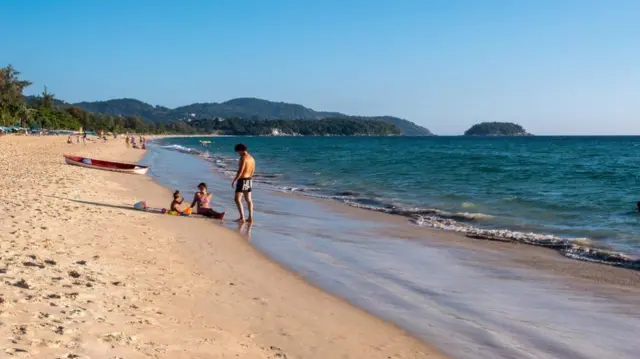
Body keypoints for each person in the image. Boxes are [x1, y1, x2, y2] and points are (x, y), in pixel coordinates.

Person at [231, 143, 255, 222]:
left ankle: (242, 217)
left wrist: (234, 180)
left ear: (241, 150)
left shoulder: (243, 158)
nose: (238, 154)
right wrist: (250, 178)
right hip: (249, 179)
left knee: (237, 199)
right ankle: (250, 217)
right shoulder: (252, 158)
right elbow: (253, 170)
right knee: (249, 200)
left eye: (238, 152)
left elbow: (240, 171)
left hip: (242, 180)